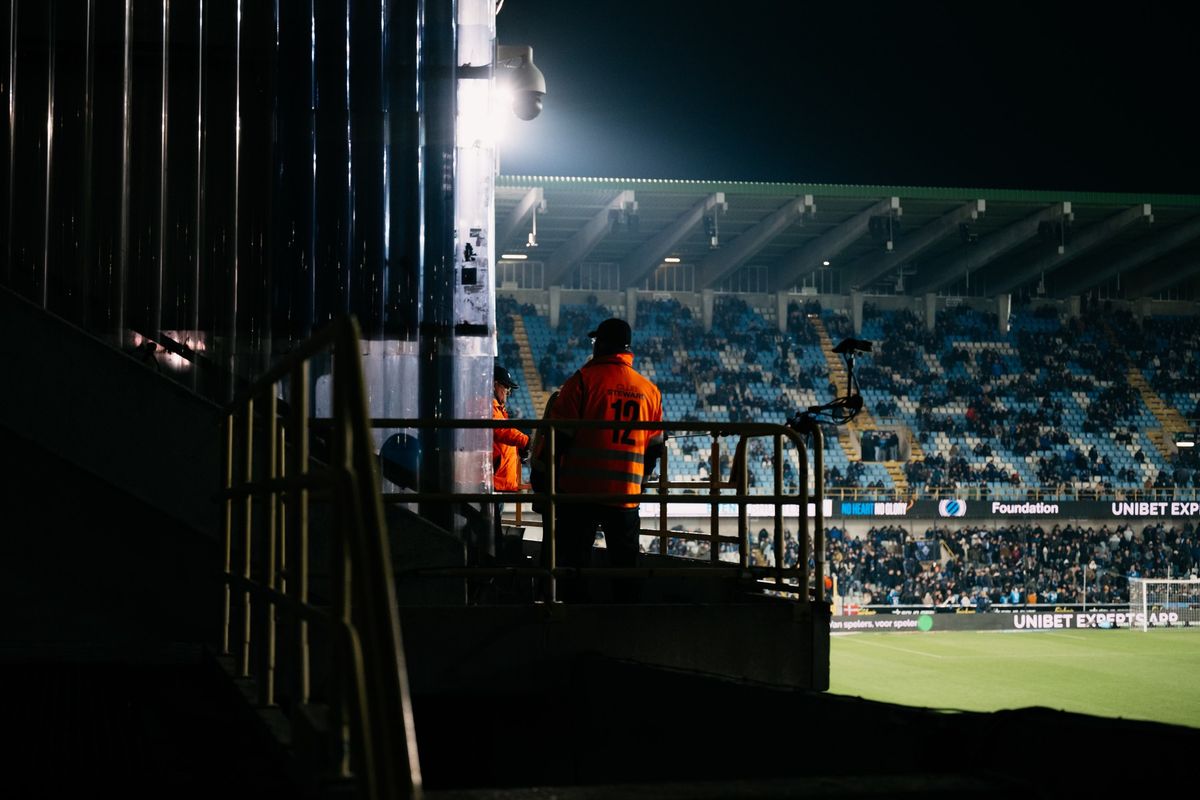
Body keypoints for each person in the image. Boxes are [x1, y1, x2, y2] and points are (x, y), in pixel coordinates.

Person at [547, 317, 664, 602]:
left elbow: (556, 439)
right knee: (625, 568)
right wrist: (640, 481)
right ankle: (624, 627)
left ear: (602, 344)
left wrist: (546, 482)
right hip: (625, 496)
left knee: (573, 566)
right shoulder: (650, 391)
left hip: (580, 493)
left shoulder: (582, 381)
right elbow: (655, 448)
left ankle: (574, 621)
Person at [491, 364, 530, 563]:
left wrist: (519, 452)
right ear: (494, 384)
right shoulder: (488, 405)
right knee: (492, 534)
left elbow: (502, 442)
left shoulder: (498, 408)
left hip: (499, 483)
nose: (507, 391)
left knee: (494, 531)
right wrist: (526, 441)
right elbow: (500, 431)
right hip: (493, 483)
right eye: (505, 387)